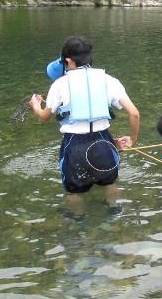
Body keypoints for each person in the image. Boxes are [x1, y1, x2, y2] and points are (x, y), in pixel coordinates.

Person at [28, 36, 140, 210]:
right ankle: (113, 215)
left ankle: (77, 222)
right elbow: (134, 113)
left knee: (75, 193)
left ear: (67, 61)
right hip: (104, 143)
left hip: (74, 146)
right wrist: (132, 139)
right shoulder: (109, 80)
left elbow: (45, 117)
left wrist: (35, 106)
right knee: (110, 184)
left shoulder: (59, 84)